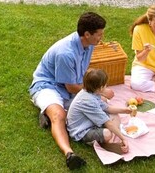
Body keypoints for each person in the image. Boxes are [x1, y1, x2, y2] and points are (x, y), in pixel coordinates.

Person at [29, 11, 113, 170]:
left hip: (69, 86)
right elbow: (71, 87)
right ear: (87, 34)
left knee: (100, 103)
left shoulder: (88, 45)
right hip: (48, 86)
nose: (102, 38)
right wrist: (99, 91)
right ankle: (69, 154)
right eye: (99, 35)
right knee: (59, 115)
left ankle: (46, 113)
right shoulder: (66, 53)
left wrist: (97, 94)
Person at [66, 68, 133, 155]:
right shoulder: (87, 101)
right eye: (105, 85)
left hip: (90, 122)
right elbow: (107, 122)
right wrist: (123, 138)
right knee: (107, 133)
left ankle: (107, 138)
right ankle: (104, 142)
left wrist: (125, 110)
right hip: (81, 131)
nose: (106, 86)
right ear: (101, 88)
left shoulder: (91, 92)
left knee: (114, 115)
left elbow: (107, 108)